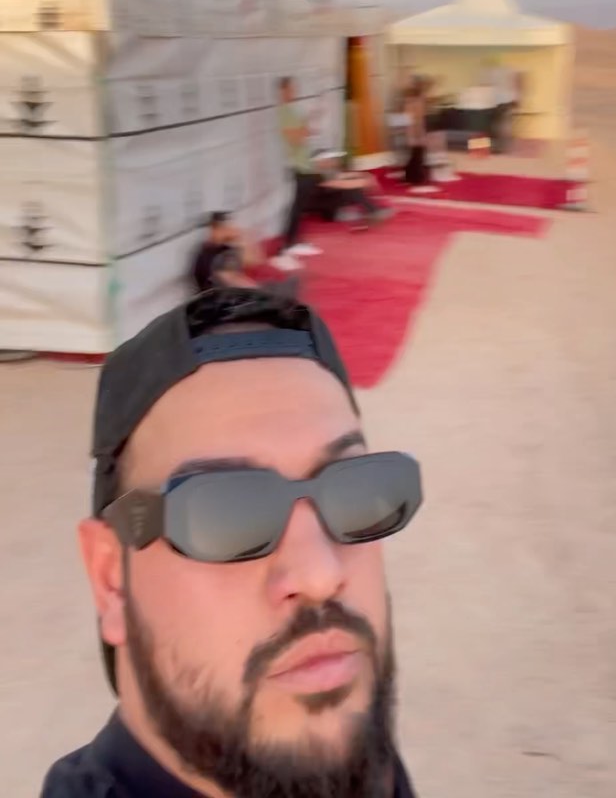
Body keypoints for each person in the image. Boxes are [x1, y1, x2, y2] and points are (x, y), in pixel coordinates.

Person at [41, 286, 421, 798]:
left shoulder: (355, 756)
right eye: (225, 513)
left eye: (353, 493)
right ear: (112, 580)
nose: (320, 575)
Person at [274, 77, 324, 270]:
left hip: (305, 163)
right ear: (283, 91)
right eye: (290, 89)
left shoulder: (292, 110)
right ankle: (288, 244)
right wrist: (307, 123)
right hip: (298, 165)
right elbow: (295, 138)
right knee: (297, 206)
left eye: (294, 89)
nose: (294, 92)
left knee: (300, 205)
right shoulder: (284, 112)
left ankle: (293, 241)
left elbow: (305, 133)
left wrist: (311, 120)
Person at [190, 212, 261, 292]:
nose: (229, 230)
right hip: (220, 294)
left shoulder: (226, 249)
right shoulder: (207, 254)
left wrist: (240, 237)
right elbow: (228, 279)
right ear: (214, 229)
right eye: (224, 228)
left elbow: (254, 261)